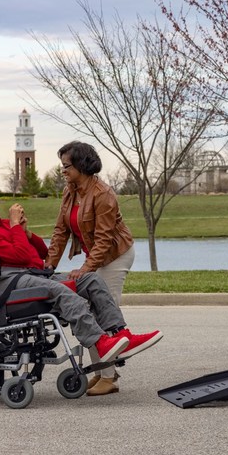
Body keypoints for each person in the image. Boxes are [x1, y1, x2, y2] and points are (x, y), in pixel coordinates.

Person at [0, 186, 162, 380]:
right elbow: (21, 255)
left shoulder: (6, 225)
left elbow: (41, 253)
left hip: (33, 274)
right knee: (60, 290)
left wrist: (26, 232)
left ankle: (120, 332)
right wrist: (15, 227)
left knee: (90, 279)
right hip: (9, 282)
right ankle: (100, 342)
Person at [46, 141, 146, 396]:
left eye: (66, 166)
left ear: (81, 165)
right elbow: (61, 232)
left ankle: (109, 378)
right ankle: (102, 372)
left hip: (115, 256)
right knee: (86, 310)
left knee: (103, 309)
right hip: (97, 257)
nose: (63, 171)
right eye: (62, 166)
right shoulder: (71, 191)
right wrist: (48, 266)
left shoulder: (103, 194)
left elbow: (104, 240)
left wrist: (85, 269)